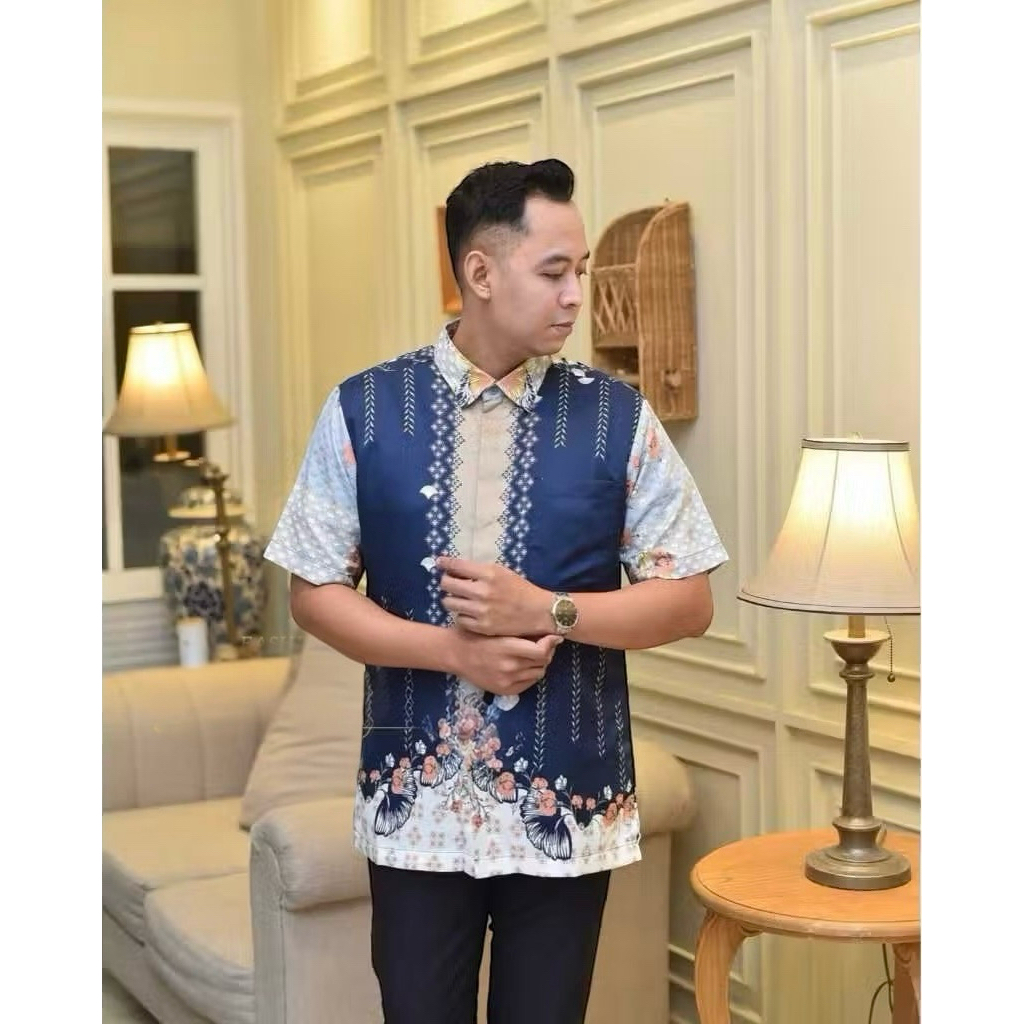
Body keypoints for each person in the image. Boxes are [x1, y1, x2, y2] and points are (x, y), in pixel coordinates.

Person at [263, 157, 728, 1024]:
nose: (574, 295)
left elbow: (689, 599)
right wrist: (451, 650)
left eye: (581, 270)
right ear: (479, 272)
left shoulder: (617, 417)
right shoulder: (365, 408)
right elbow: (314, 590)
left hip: (566, 803)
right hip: (414, 806)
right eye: (553, 272)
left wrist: (547, 609)